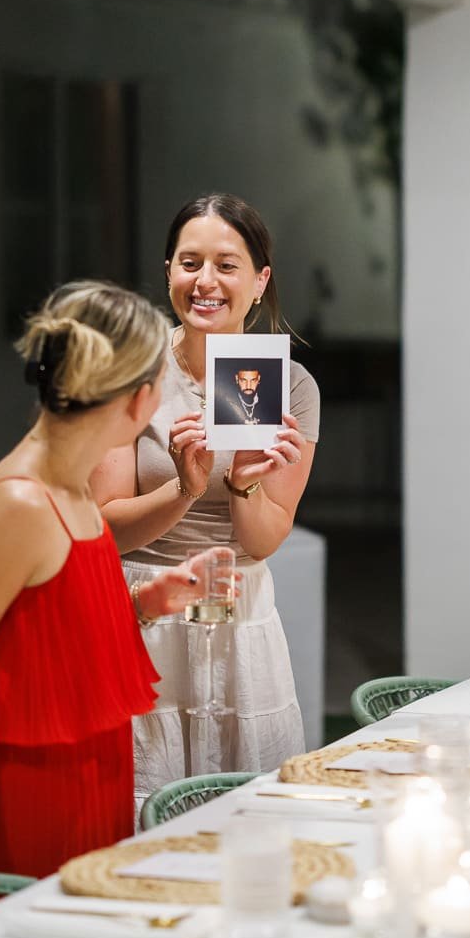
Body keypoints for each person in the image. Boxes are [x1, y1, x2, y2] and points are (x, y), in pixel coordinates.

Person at [0, 281, 217, 890]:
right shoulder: (19, 504)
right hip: (28, 784)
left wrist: (146, 601)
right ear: (140, 400)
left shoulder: (75, 486)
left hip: (89, 765)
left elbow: (48, 618)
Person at [93, 194, 319, 814]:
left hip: (238, 612)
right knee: (140, 809)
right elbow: (105, 528)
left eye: (227, 264)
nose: (206, 282)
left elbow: (265, 540)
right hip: (146, 606)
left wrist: (244, 482)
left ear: (259, 280)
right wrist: (185, 489)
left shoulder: (288, 386)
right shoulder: (129, 373)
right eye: (190, 263)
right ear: (169, 270)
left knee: (247, 815)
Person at [212, 361, 285, 429]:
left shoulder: (271, 406)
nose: (248, 386)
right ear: (237, 379)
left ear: (259, 379)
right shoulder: (223, 405)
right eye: (243, 380)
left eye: (253, 380)